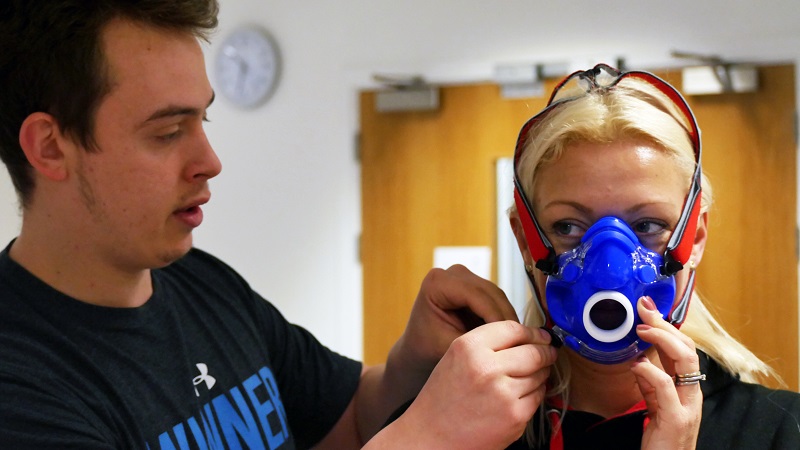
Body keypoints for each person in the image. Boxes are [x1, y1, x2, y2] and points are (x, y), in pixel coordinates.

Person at [0, 1, 558, 448]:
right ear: (51, 148)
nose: (209, 160)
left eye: (204, 119)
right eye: (167, 132)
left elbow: (351, 422)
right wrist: (431, 436)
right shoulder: (19, 388)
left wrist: (415, 359)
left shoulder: (203, 283)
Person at [506, 63, 800, 449]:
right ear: (527, 242)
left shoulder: (781, 432)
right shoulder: (472, 430)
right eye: (568, 227)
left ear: (693, 239)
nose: (609, 268)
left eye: (646, 226)